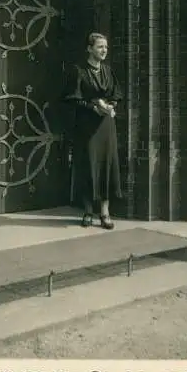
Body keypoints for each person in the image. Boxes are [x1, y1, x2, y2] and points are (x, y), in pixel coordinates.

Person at [62, 32, 123, 230]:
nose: (104, 50)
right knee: (89, 165)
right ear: (89, 48)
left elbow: (116, 93)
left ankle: (105, 212)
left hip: (106, 126)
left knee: (107, 165)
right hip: (87, 126)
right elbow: (72, 98)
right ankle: (88, 211)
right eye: (99, 47)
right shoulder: (79, 71)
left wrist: (110, 105)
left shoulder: (108, 71)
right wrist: (92, 107)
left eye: (105, 47)